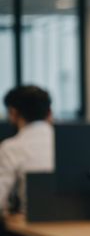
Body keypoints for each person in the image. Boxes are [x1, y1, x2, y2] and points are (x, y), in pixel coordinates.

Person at [0, 85, 55, 214]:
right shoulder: (68, 142)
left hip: (31, 224)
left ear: (13, 113)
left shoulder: (12, 147)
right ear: (49, 113)